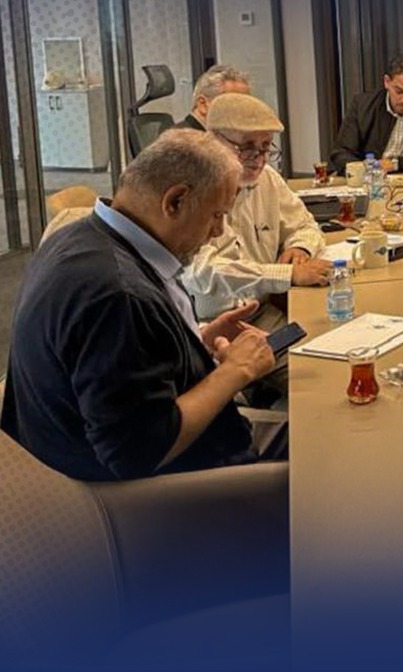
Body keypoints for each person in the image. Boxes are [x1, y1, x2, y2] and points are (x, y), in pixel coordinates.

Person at [1, 129, 276, 481]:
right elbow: (138, 452)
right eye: (216, 215)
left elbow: (119, 366)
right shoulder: (118, 296)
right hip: (155, 492)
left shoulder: (76, 236)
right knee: (322, 460)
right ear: (175, 201)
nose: (218, 231)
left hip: (69, 461)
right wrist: (236, 371)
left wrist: (195, 343)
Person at [184, 93, 329, 328]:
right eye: (247, 147)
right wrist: (286, 275)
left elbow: (305, 225)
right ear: (213, 141)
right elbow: (202, 273)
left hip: (266, 311)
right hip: (212, 326)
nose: (259, 160)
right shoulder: (191, 192)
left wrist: (299, 247)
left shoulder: (267, 178)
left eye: (265, 147)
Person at [172, 64, 251, 131]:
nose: (243, 112)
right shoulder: (180, 141)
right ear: (203, 104)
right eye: (233, 103)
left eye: (246, 105)